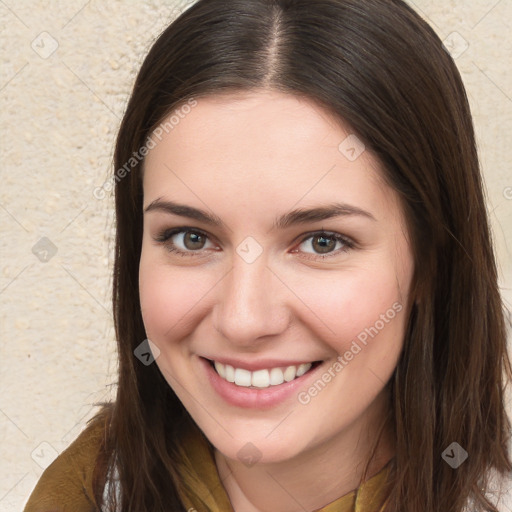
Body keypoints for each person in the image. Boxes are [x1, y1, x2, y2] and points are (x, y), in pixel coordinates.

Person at [23, 0, 512, 511]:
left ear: (431, 264)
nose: (243, 320)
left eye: (322, 241)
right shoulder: (76, 494)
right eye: (191, 238)